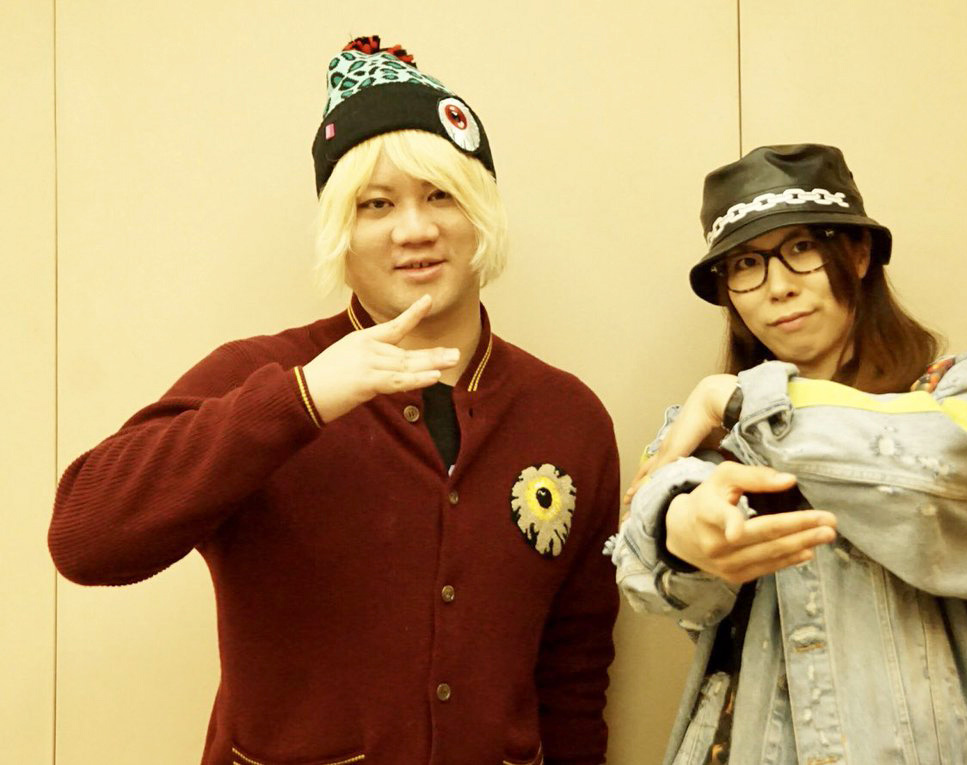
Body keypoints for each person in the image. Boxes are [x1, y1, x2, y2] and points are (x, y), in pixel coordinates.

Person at [50, 36, 619, 765]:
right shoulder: (261, 376)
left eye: (441, 195)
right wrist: (303, 400)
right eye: (375, 204)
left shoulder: (567, 417)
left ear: (482, 213)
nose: (415, 229)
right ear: (340, 233)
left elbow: (574, 675)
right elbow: (85, 538)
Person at [610, 144, 967, 764]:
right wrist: (683, 532)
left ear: (858, 254)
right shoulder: (706, 431)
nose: (778, 287)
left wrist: (737, 400)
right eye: (747, 264)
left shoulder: (959, 391)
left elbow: (953, 464)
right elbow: (646, 562)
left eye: (802, 248)